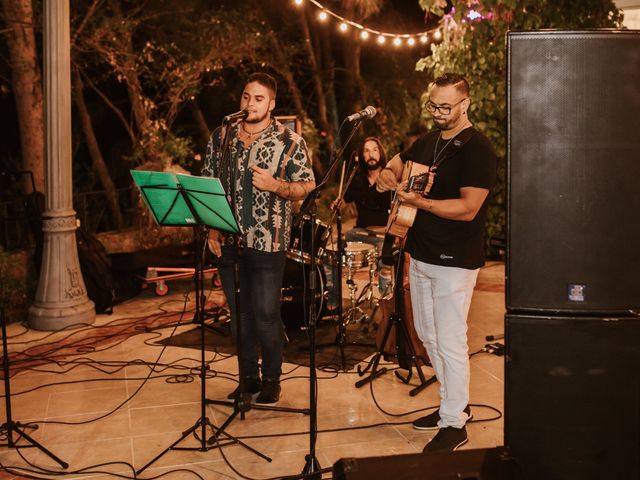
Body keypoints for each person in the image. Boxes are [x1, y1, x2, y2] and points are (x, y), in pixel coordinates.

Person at [376, 73, 497, 451]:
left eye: (446, 107)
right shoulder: (427, 141)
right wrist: (386, 176)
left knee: (450, 339)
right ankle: (451, 406)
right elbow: (395, 165)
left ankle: (455, 422)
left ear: (466, 104)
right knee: (428, 337)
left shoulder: (478, 149)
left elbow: (468, 208)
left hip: (456, 259)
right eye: (433, 106)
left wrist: (420, 203)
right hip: (422, 253)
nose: (439, 113)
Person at [202, 72, 315, 405]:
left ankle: (272, 380)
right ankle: (247, 379)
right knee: (240, 316)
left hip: (269, 241)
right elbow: (208, 185)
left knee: (265, 314)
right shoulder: (221, 136)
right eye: (246, 96)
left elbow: (307, 185)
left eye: (259, 98)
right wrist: (212, 227)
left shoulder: (289, 141)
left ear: (272, 103)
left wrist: (275, 186)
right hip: (228, 242)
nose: (250, 103)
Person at [328, 137, 393, 304]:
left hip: (383, 235)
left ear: (381, 153)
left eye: (374, 150)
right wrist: (337, 203)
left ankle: (387, 304)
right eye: (366, 151)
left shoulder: (390, 177)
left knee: (386, 261)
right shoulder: (357, 179)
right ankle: (334, 303)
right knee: (331, 253)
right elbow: (344, 200)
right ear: (362, 156)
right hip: (359, 233)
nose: (371, 154)